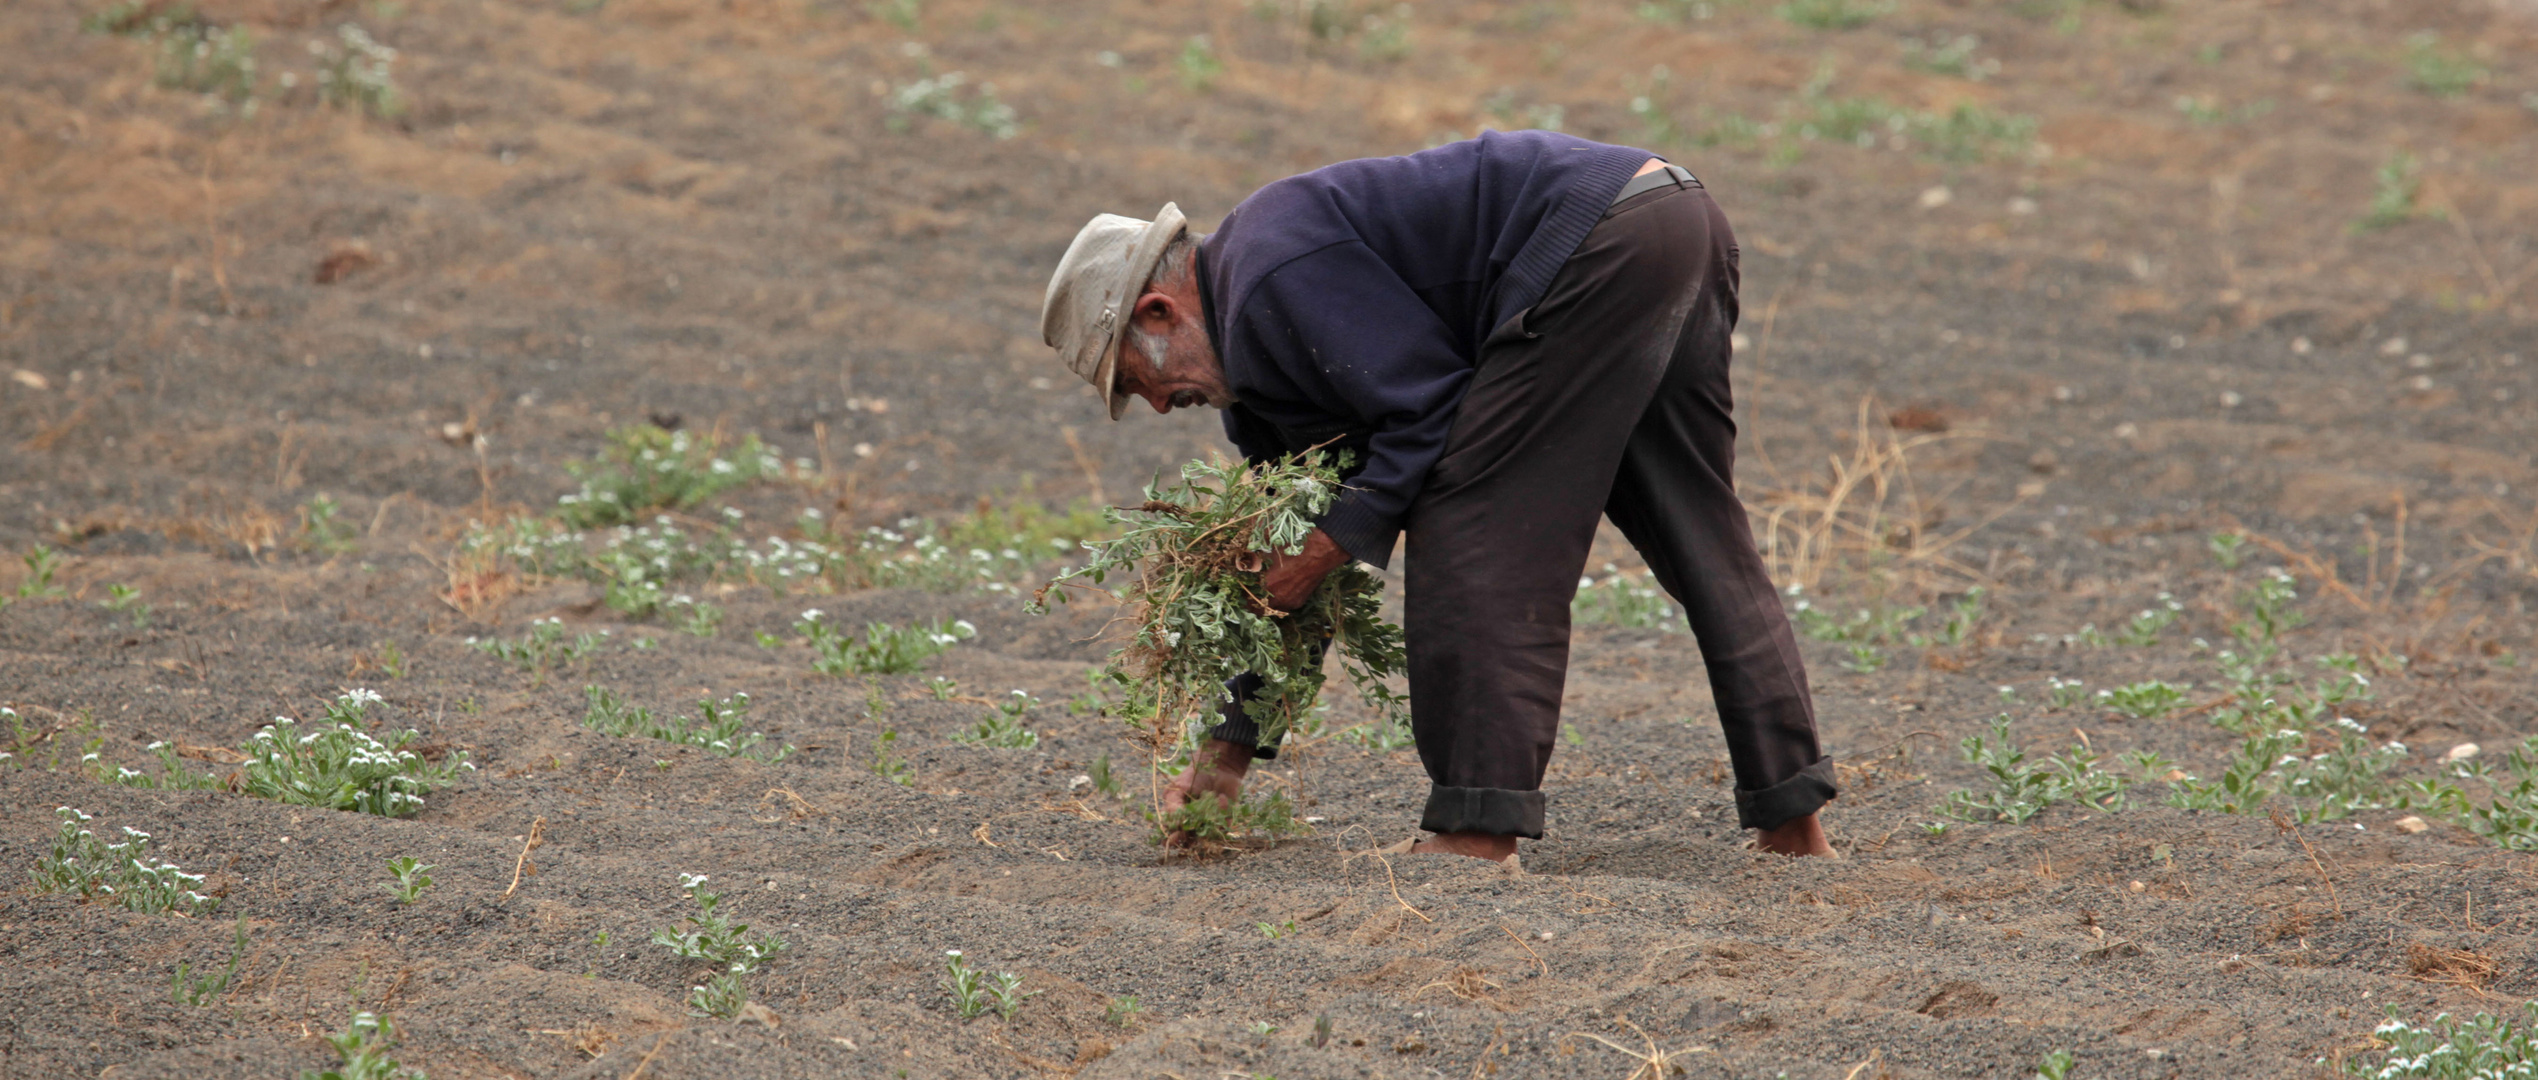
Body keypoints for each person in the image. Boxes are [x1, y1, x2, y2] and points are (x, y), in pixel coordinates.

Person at [1040, 130, 1836, 862]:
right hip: (1674, 217)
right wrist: (1225, 756)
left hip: (1598, 240)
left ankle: (1472, 835)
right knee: (1699, 530)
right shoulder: (1263, 383)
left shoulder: (1268, 276)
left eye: (1137, 379)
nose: (1153, 405)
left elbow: (1426, 412)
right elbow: (1296, 570)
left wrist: (1322, 546)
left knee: (1469, 516)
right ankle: (1791, 816)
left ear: (1158, 309)